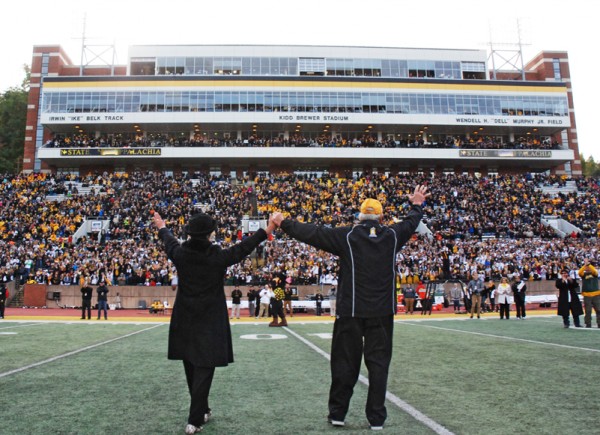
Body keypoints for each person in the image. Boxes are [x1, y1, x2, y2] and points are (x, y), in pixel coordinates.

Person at [271, 185, 428, 430]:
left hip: (351, 311)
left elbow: (313, 233)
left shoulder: (347, 236)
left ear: (359, 216)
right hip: (381, 312)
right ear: (382, 216)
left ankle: (338, 414)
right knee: (378, 365)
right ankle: (376, 417)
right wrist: (417, 203)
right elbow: (411, 221)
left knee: (345, 363)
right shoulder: (392, 236)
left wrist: (283, 222)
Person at [153, 211, 275, 434]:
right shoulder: (217, 256)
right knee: (204, 367)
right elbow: (243, 248)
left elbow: (169, 241)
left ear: (189, 233)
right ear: (210, 233)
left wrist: (161, 226)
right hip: (210, 319)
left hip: (185, 317)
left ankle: (202, 410)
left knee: (190, 364)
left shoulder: (180, 253)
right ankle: (194, 419)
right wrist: (267, 230)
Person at [578, 259, 600, 328]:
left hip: (596, 294)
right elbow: (579, 272)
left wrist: (589, 264)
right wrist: (585, 265)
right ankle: (588, 323)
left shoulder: (595, 273)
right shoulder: (583, 275)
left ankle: (599, 323)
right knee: (588, 310)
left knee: (599, 310)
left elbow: (594, 271)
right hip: (587, 295)